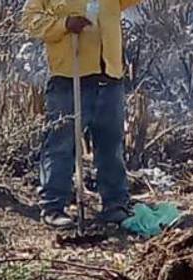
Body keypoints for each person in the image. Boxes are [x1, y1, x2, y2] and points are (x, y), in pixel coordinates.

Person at [23, 0, 142, 229]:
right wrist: (65, 24)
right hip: (69, 77)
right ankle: (53, 207)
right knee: (61, 144)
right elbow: (30, 22)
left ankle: (115, 205)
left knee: (111, 144)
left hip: (109, 76)